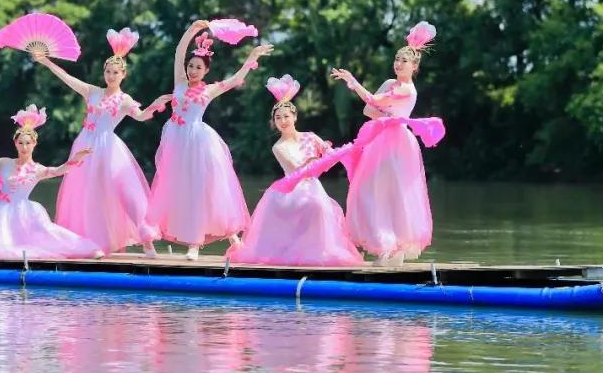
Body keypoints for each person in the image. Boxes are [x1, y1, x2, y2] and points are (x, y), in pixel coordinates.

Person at [31, 28, 169, 256]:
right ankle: (90, 242)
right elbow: (68, 78)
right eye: (107, 71)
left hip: (110, 148)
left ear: (123, 74)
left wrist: (156, 103)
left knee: (126, 190)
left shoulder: (124, 99)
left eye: (115, 72)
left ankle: (146, 240)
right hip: (85, 146)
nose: (111, 75)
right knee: (88, 195)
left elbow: (142, 116)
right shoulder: (92, 92)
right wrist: (46, 61)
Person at [147, 20, 273, 260]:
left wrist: (252, 57)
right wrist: (192, 30)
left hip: (198, 142)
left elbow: (235, 80)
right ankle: (214, 238)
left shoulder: (209, 90)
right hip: (176, 141)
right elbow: (178, 52)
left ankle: (200, 242)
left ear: (206, 71)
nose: (192, 70)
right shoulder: (180, 84)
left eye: (197, 67)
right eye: (190, 66)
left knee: (205, 189)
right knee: (180, 190)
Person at [330, 21, 439, 265]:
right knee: (369, 189)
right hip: (381, 139)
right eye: (397, 59)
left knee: (396, 194)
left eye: (404, 61)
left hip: (399, 144)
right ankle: (385, 245)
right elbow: (370, 110)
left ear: (414, 66)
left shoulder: (407, 90)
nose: (398, 63)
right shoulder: (391, 83)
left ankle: (394, 247)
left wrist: (352, 81)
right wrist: (388, 118)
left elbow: (372, 99)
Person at [227, 75, 363, 266]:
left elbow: (330, 159)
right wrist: (313, 161)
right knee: (313, 204)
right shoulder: (278, 146)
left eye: (286, 116)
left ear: (295, 117)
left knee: (321, 206)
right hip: (291, 189)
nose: (283, 121)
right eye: (278, 118)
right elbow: (295, 169)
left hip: (312, 186)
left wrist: (335, 153)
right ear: (274, 122)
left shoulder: (310, 136)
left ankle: (318, 251)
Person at [0, 105, 101, 259]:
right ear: (15, 144)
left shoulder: (37, 169)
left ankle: (85, 249)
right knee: (0, 249)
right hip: (3, 213)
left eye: (28, 143)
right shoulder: (4, 163)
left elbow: (58, 171)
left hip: (25, 211)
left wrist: (75, 159)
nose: (24, 147)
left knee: (49, 233)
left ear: (34, 144)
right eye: (21, 143)